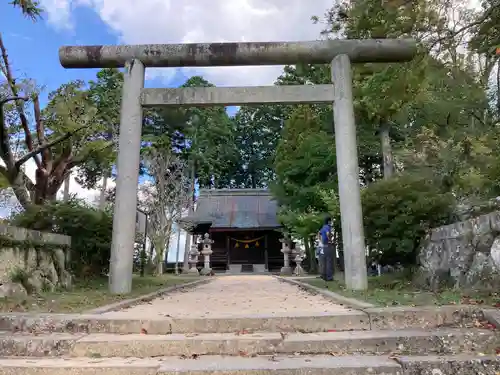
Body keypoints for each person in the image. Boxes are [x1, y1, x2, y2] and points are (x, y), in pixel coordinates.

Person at [319, 217, 334, 281]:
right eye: (331, 221)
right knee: (329, 262)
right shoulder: (328, 227)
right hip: (328, 245)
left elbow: (319, 234)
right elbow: (328, 233)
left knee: (324, 262)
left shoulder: (323, 227)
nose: (331, 222)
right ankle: (329, 277)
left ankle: (323, 276)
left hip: (323, 246)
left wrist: (321, 241)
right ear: (328, 221)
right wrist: (330, 240)